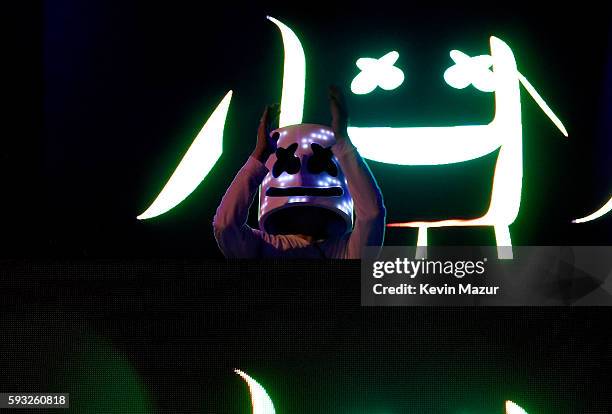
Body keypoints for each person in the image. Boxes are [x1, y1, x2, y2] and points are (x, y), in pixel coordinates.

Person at [213, 86, 385, 258]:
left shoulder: (346, 252)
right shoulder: (263, 247)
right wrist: (259, 156)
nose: (302, 177)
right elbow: (226, 225)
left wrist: (342, 142)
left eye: (319, 162)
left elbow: (372, 214)